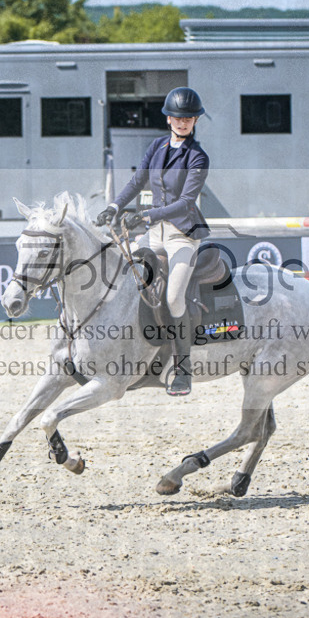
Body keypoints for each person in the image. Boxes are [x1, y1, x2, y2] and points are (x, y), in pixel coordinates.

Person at [95, 87, 210, 396]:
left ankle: (183, 370)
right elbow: (137, 181)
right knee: (123, 277)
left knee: (173, 298)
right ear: (169, 118)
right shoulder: (157, 146)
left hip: (182, 234)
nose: (183, 123)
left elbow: (186, 202)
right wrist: (115, 207)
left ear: (195, 121)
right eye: (178, 117)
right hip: (154, 231)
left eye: (188, 119)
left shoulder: (198, 157)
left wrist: (147, 216)